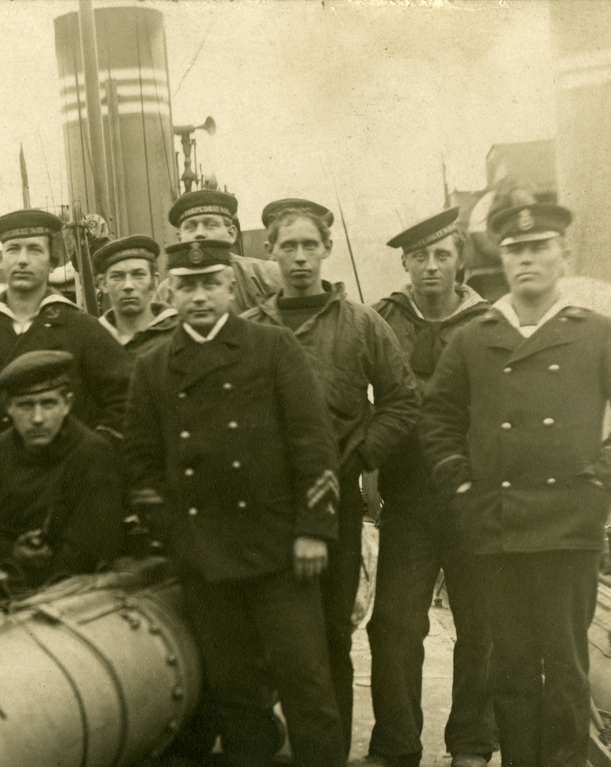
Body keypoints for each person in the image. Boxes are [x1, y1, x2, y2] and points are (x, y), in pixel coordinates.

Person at [421, 203, 611, 767]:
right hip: (496, 525)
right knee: (510, 667)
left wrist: (603, 482)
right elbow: (437, 420)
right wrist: (461, 486)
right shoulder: (474, 338)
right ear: (503, 260)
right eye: (515, 250)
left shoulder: (597, 333)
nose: (526, 259)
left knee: (566, 668)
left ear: (563, 256)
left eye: (539, 247)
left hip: (569, 525)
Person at [124, 239, 346, 766]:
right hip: (206, 559)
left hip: (281, 551)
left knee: (307, 684)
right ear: (169, 293)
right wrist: (178, 537)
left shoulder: (273, 346)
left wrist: (313, 529)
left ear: (229, 286)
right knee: (235, 690)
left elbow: (313, 443)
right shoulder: (153, 368)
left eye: (210, 284)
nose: (199, 296)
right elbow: (140, 467)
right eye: (187, 286)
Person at [242, 198, 419, 757]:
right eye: (288, 246)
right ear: (269, 251)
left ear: (326, 249)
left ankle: (328, 754)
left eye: (309, 246)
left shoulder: (362, 324)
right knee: (271, 640)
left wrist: (361, 455)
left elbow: (402, 401)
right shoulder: (248, 329)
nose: (299, 257)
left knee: (330, 638)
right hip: (266, 511)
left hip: (335, 507)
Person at [363, 208, 494, 767]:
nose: (431, 266)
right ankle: (396, 746)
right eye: (420, 257)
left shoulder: (489, 323)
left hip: (472, 497)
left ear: (460, 260)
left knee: (482, 624)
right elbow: (358, 397)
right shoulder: (381, 318)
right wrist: (369, 467)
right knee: (393, 624)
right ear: (405, 264)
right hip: (408, 497)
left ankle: (472, 744)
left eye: (442, 255)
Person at [0, 208, 130, 485]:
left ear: (52, 261)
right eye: (13, 249)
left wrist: (92, 452)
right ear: (0, 260)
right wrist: (2, 405)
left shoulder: (84, 329)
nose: (22, 260)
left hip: (72, 482)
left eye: (34, 249)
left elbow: (125, 398)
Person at [0, 350, 124, 590]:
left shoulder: (94, 455)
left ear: (67, 404)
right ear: (9, 407)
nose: (37, 418)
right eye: (26, 405)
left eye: (48, 404)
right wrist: (11, 552)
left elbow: (90, 549)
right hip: (0, 582)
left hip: (74, 591)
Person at [155, 189, 283, 313]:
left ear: (231, 234)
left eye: (211, 225)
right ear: (179, 238)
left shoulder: (267, 276)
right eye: (191, 227)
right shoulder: (165, 292)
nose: (200, 233)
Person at [93, 234, 178, 357]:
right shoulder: (93, 341)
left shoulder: (178, 333)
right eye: (117, 276)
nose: (128, 285)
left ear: (154, 281)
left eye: (138, 275)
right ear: (103, 284)